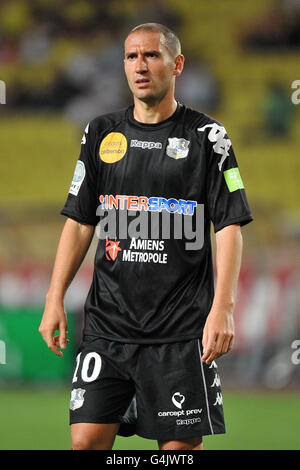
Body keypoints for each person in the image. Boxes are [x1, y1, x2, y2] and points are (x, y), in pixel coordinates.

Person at [39, 23, 253, 451]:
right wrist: (53, 297)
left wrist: (223, 308)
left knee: (178, 453)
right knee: (85, 442)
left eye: (151, 55)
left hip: (179, 331)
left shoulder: (208, 137)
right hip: (108, 325)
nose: (140, 66)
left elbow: (228, 225)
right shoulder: (100, 134)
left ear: (176, 65)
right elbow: (81, 221)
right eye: (131, 57)